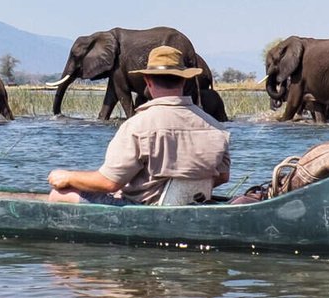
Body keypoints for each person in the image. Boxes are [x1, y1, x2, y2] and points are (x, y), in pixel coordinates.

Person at [48, 45, 230, 205]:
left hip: (147, 207)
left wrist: (67, 176)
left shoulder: (137, 125)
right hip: (194, 203)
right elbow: (222, 176)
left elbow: (110, 183)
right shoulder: (215, 127)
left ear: (148, 82)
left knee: (59, 194)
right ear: (184, 80)